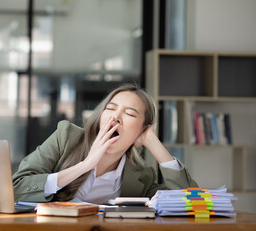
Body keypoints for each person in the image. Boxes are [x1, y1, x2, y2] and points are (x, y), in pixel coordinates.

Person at [13, 84, 198, 204]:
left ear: (142, 129)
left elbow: (192, 200)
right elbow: (17, 188)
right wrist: (85, 165)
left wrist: (153, 141)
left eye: (130, 114)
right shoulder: (66, 136)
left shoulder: (142, 176)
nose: (115, 117)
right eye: (110, 108)